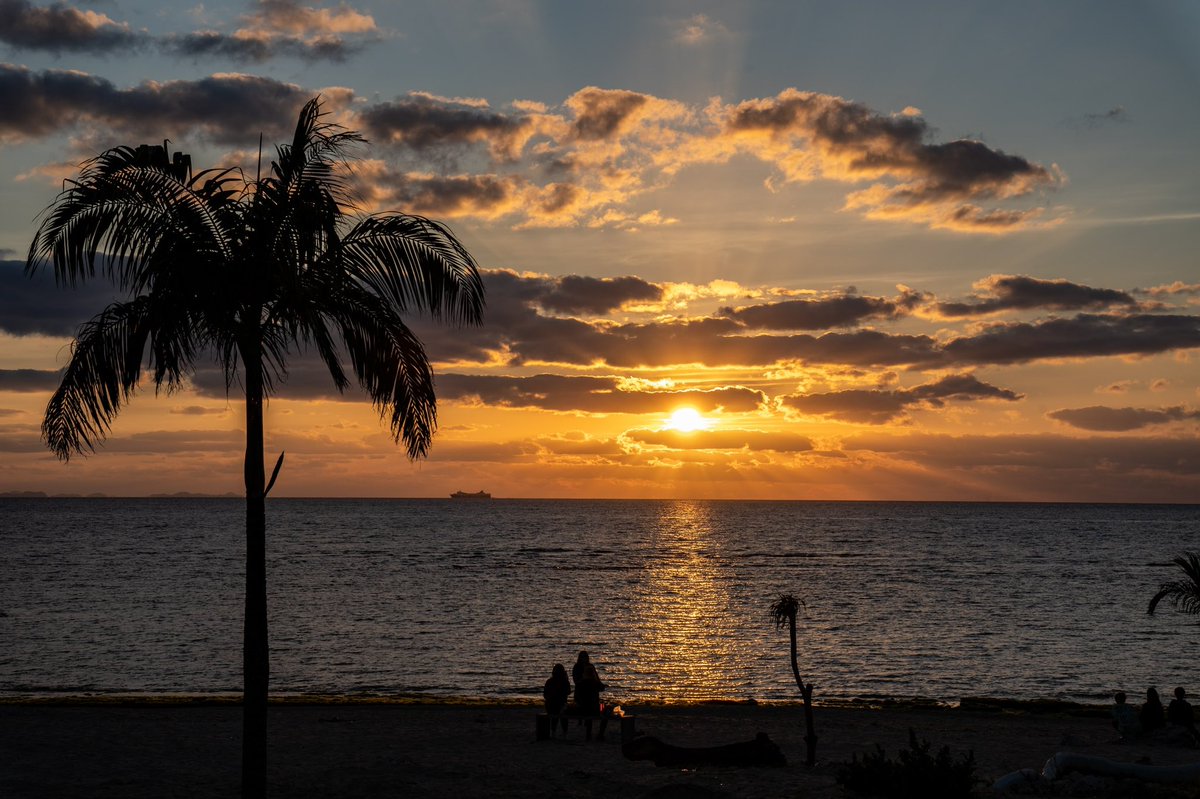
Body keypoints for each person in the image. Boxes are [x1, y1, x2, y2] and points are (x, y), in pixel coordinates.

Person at [571, 650, 609, 741]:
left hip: (586, 703)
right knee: (603, 711)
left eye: (585, 657)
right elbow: (577, 681)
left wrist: (599, 684)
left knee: (591, 707)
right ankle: (598, 734)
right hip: (588, 705)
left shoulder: (590, 673)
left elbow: (598, 682)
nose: (584, 659)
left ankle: (592, 734)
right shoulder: (578, 669)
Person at [543, 663, 570, 737]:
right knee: (562, 711)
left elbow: (545, 695)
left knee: (558, 711)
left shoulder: (549, 681)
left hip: (550, 706)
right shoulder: (564, 681)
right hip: (559, 706)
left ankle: (553, 731)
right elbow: (568, 692)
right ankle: (564, 731)